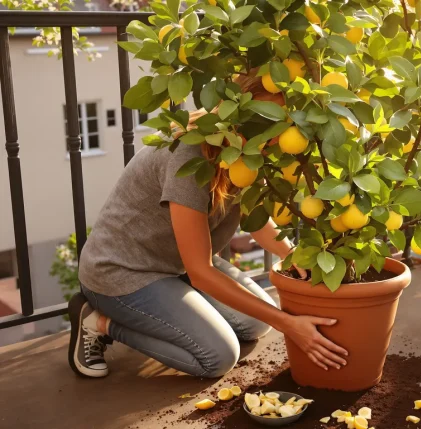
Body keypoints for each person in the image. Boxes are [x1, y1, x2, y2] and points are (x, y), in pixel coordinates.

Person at [68, 70, 347, 379]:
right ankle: (99, 322)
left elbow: (253, 218)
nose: (277, 134)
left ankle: (176, 311)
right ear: (235, 112)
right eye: (266, 119)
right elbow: (201, 272)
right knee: (218, 356)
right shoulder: (189, 156)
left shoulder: (245, 152)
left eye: (281, 121)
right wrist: (290, 324)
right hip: (123, 273)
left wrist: (290, 254)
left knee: (256, 323)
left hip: (176, 265)